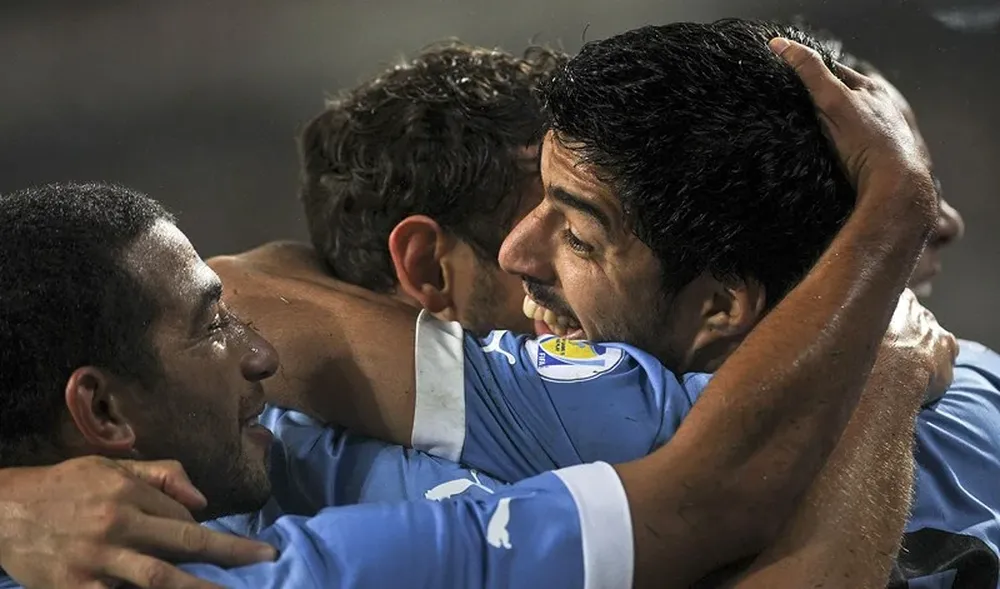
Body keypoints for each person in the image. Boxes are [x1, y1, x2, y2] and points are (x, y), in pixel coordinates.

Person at [0, 38, 949, 588]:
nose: (258, 354)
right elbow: (715, 501)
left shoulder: (275, 455)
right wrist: (891, 336)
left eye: (574, 232)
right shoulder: (326, 554)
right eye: (211, 323)